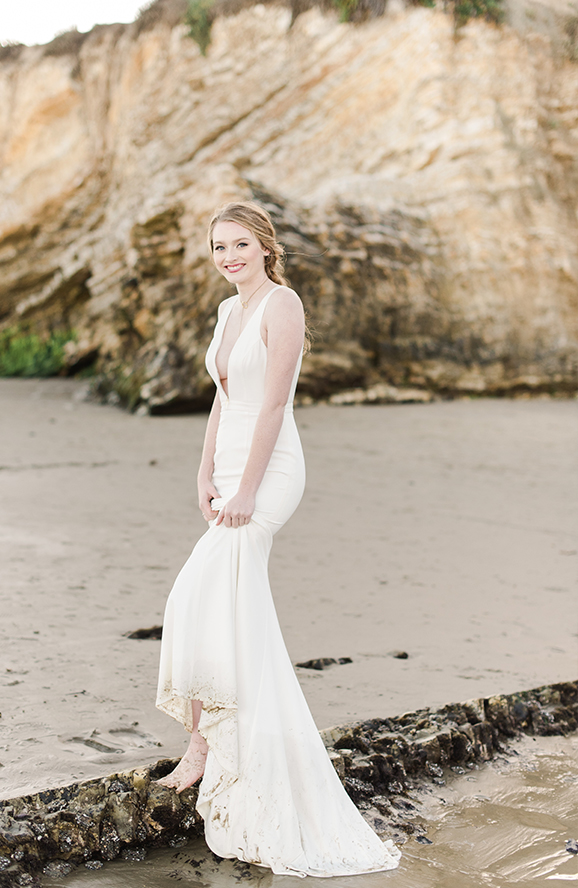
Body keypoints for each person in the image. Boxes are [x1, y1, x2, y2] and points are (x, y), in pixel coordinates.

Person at [155, 201, 400, 876]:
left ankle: (208, 748)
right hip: (229, 468)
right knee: (210, 603)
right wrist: (204, 471)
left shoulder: (281, 305)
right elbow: (224, 397)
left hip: (269, 471)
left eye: (239, 244)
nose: (228, 256)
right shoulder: (227, 311)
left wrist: (245, 490)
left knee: (198, 596)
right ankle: (207, 742)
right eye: (218, 247)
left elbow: (271, 404)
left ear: (265, 246)